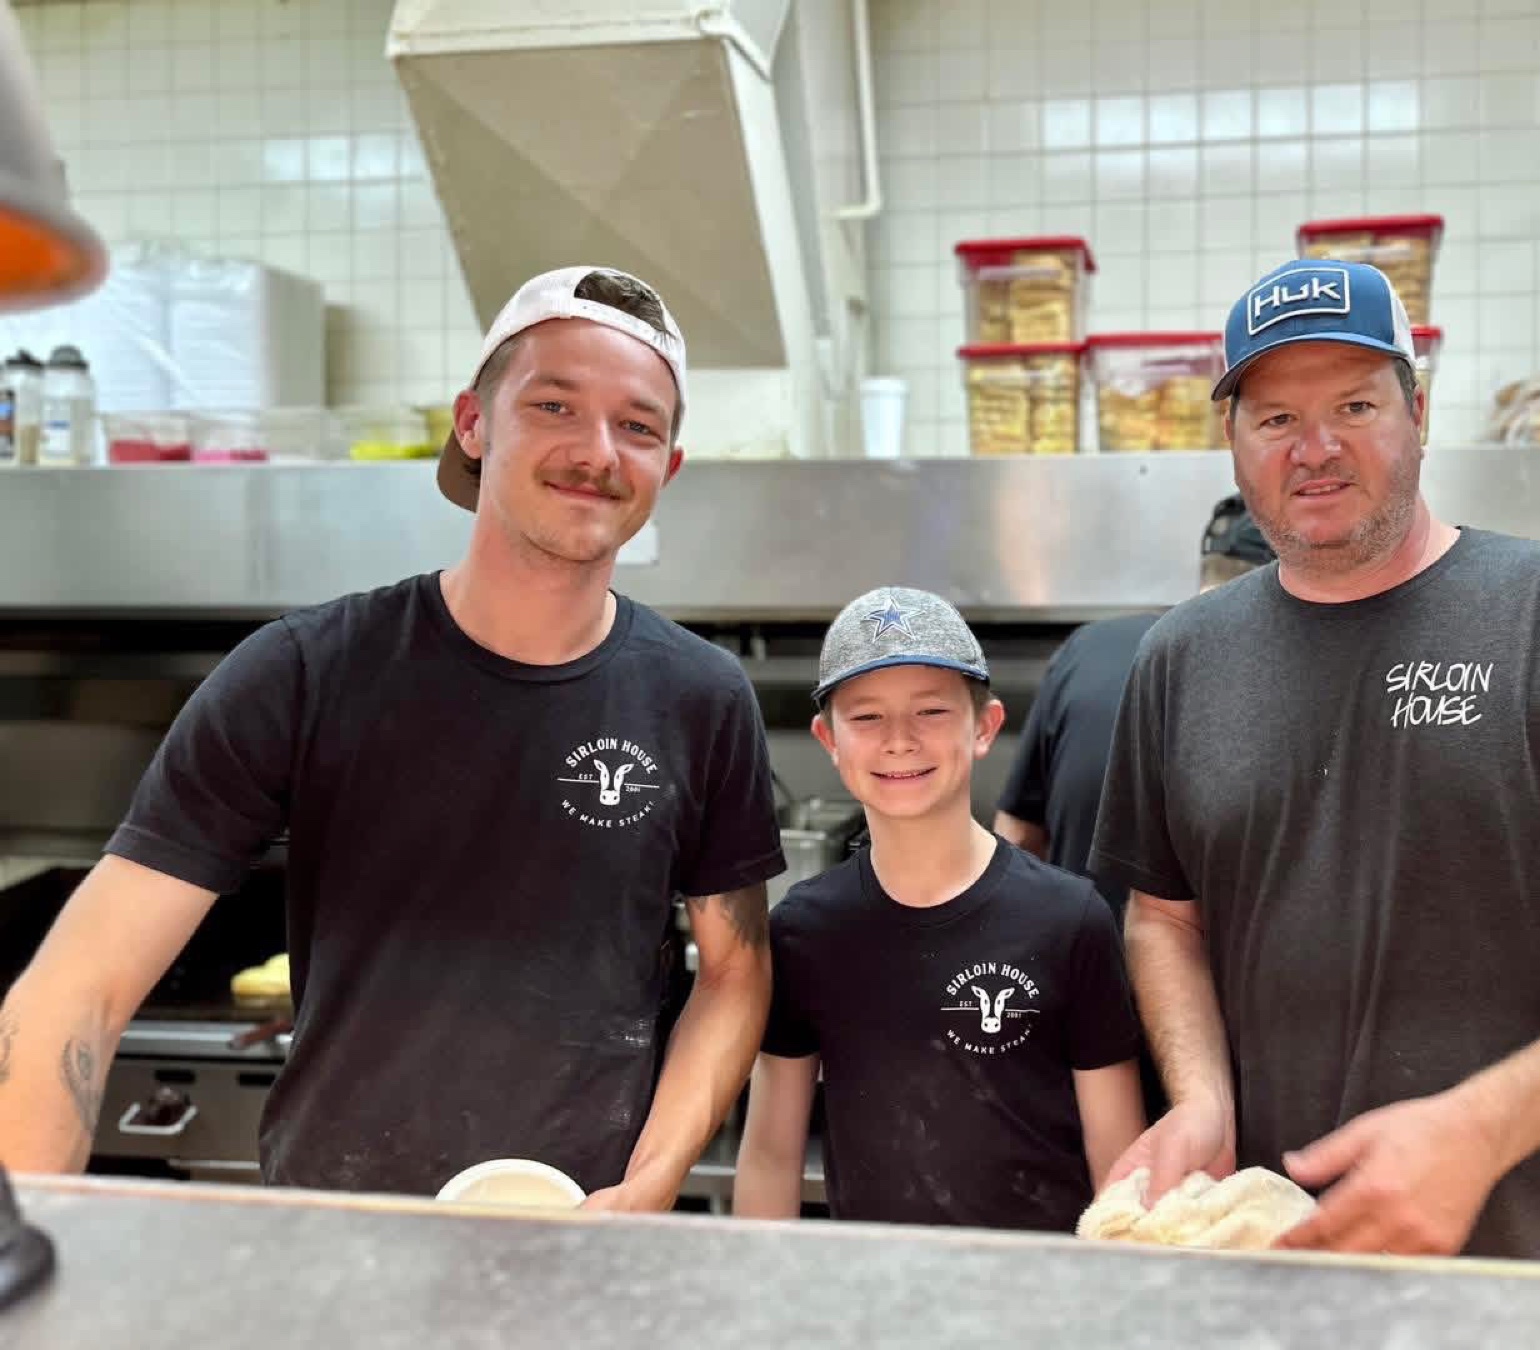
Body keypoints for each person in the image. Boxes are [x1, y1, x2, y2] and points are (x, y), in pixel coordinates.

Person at [0, 267, 785, 1209]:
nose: (597, 451)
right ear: (472, 422)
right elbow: (74, 988)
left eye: (640, 425)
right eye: (554, 405)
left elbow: (735, 974)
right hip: (336, 1231)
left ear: (669, 466)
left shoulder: (701, 698)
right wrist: (25, 1251)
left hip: (582, 1239)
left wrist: (648, 1188)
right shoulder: (302, 674)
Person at [1090, 258, 1540, 1264]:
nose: (1315, 449)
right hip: (1298, 1267)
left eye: (1355, 405)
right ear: (1233, 440)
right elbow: (1164, 918)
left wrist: (1480, 1129)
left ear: (1418, 409)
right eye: (1275, 418)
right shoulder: (1181, 660)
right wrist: (1202, 1099)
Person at [732, 587, 1144, 1231]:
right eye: (866, 718)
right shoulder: (803, 930)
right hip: (876, 1306)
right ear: (828, 739)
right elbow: (770, 1154)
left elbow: (1119, 1162)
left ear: (984, 726)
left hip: (1041, 1309)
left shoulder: (1070, 920)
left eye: (930, 711)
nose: (900, 740)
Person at [994, 495, 1275, 920]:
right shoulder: (1281, 679)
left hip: (1075, 967)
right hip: (1201, 978)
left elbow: (1015, 837)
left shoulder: (1088, 647)